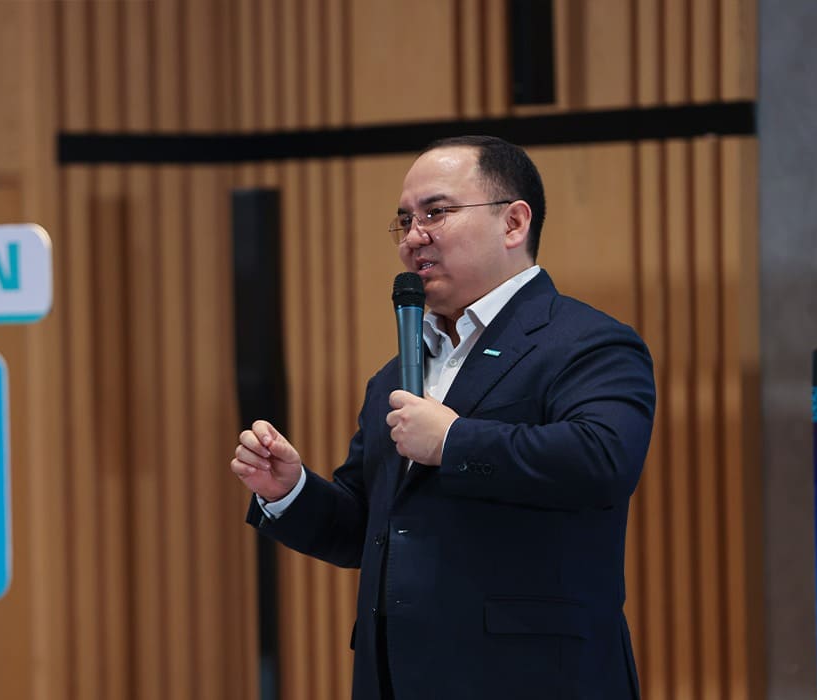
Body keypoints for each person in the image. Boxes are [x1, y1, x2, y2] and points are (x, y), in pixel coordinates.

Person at [231, 135, 655, 699]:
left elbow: (602, 460)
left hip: (533, 678)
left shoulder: (586, 342)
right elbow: (367, 530)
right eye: (405, 220)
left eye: (436, 212)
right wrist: (290, 491)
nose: (413, 237)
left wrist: (453, 442)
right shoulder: (394, 375)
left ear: (513, 223)